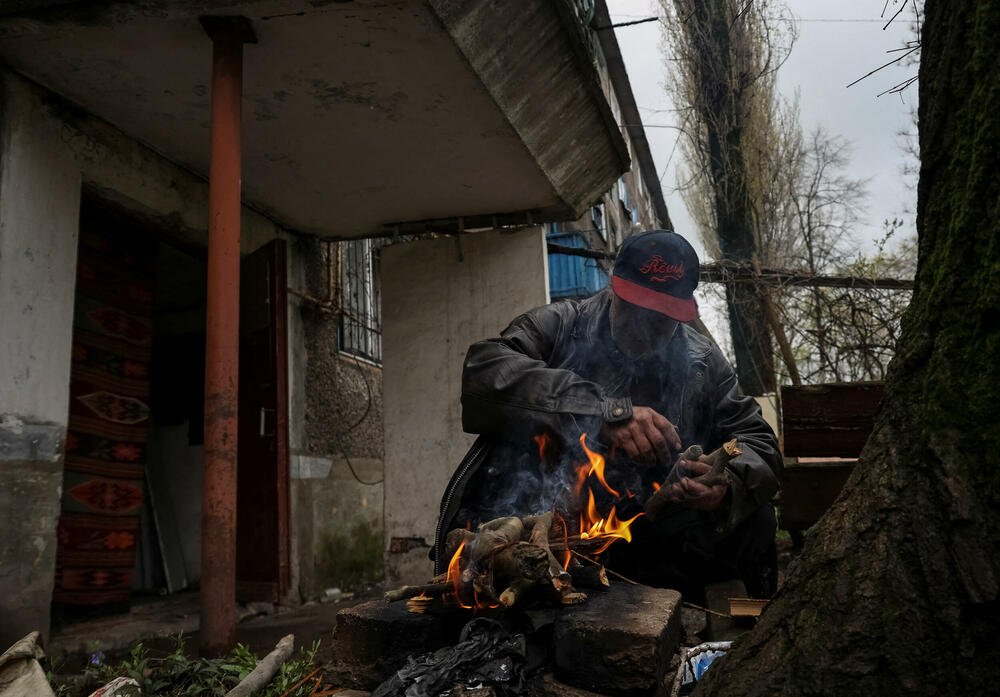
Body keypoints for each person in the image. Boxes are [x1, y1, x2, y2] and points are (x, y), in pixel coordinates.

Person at [433, 229, 782, 600]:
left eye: (661, 317)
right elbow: (484, 373)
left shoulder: (704, 363)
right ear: (615, 288)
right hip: (539, 527)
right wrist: (604, 413)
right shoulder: (562, 324)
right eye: (638, 311)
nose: (647, 329)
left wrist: (725, 484)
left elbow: (759, 442)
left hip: (638, 535)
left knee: (756, 520)